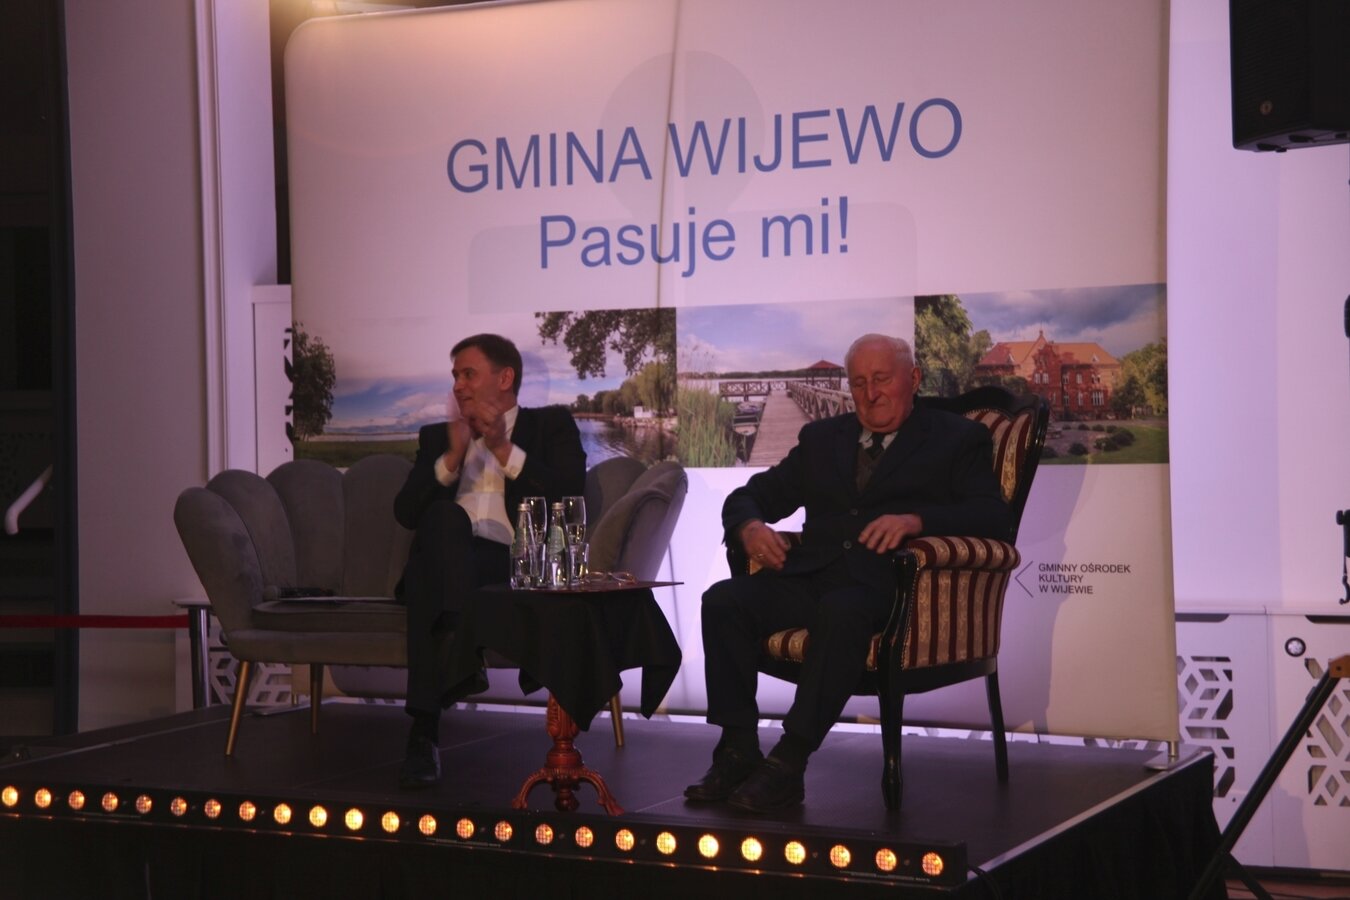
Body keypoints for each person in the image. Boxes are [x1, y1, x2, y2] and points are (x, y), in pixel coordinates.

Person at [684, 334, 1010, 812]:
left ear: (913, 378)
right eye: (858, 383)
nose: (870, 394)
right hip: (811, 575)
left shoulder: (956, 438)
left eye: (881, 379)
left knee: (842, 610)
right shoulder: (821, 438)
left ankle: (788, 762)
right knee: (723, 601)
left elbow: (993, 516)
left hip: (894, 587)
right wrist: (749, 528)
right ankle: (737, 751)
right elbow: (750, 496)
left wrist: (916, 521)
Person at [394, 333, 586, 788]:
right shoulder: (436, 438)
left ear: (505, 378)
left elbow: (568, 494)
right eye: (455, 376)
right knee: (443, 522)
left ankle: (425, 730)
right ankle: (460, 662)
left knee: (430, 582)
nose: (458, 386)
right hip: (446, 562)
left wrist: (502, 447)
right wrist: (452, 457)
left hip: (509, 566)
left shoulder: (550, 426)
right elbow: (405, 513)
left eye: (468, 374)